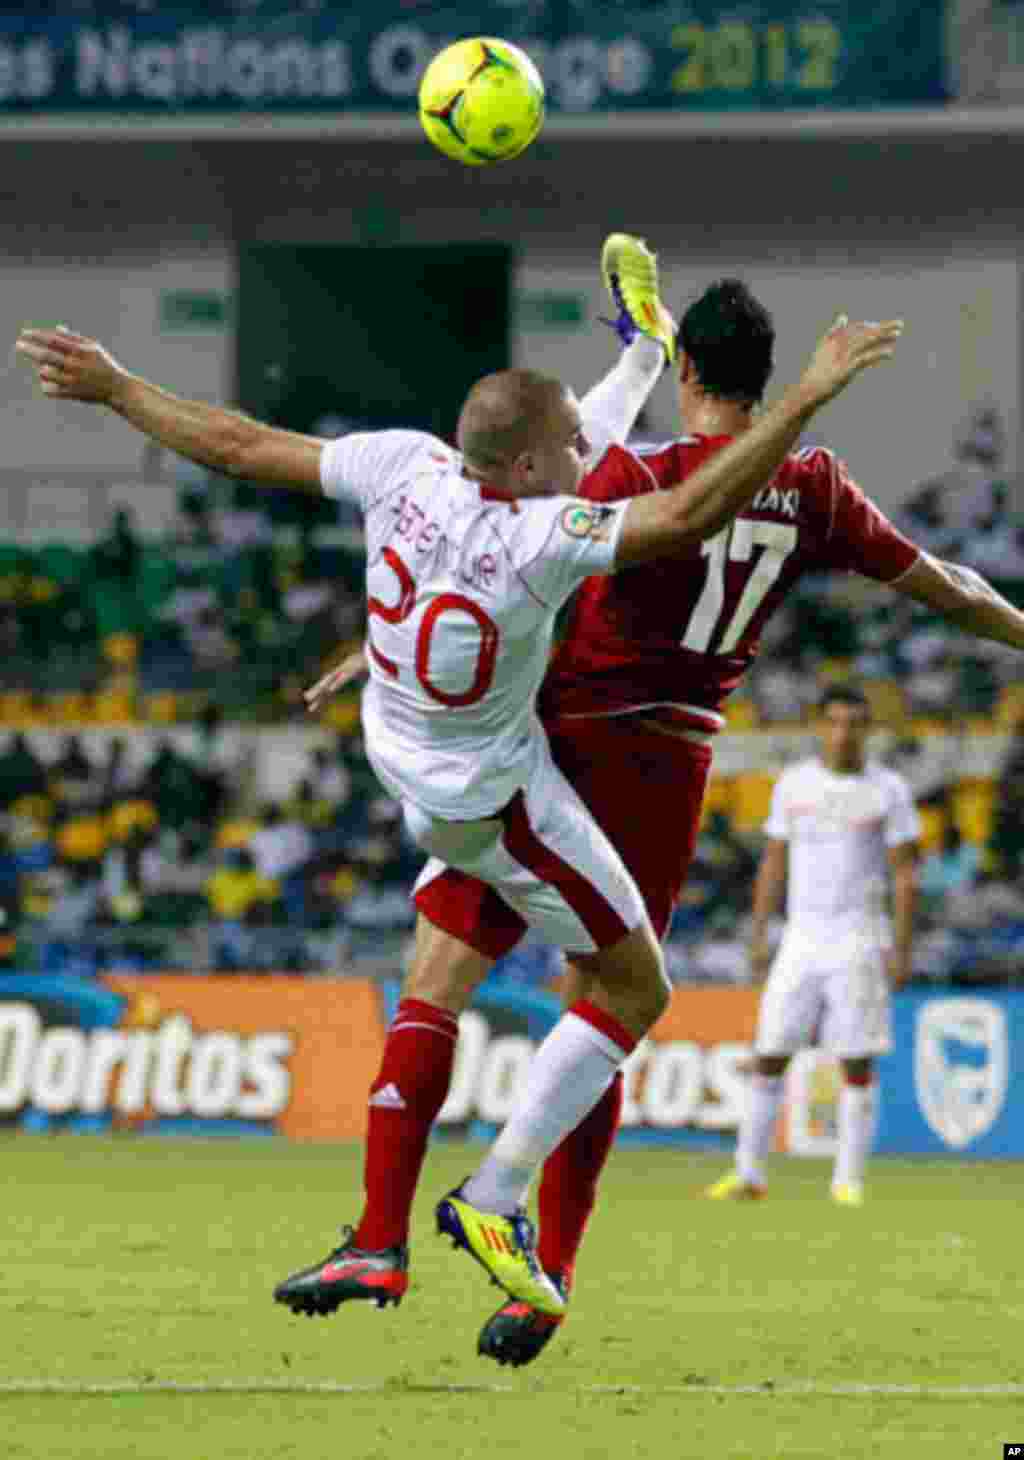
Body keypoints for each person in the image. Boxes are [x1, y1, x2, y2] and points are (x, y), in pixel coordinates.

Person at [16, 236, 901, 1326]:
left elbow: (238, 442)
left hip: (407, 755)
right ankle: (496, 1196)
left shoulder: (405, 465)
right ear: (530, 469)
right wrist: (808, 393)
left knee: (428, 979)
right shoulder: (540, 536)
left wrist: (113, 386)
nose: (592, 449)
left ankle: (375, 1243)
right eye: (572, 443)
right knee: (630, 991)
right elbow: (675, 517)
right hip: (501, 792)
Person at [302, 260, 1024, 1369]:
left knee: (436, 977)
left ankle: (384, 1233)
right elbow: (944, 586)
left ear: (683, 367)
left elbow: (477, 556)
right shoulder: (814, 484)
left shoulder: (626, 471)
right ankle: (545, 1278)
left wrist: (388, 645)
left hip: (549, 748)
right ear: (764, 376)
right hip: (668, 769)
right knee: (601, 1014)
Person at [706, 685, 919, 1207]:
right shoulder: (794, 785)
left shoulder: (888, 790)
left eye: (855, 723)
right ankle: (749, 1174)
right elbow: (774, 861)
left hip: (860, 937)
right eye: (836, 722)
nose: (844, 733)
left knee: (856, 1061)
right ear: (821, 726)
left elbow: (905, 875)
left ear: (867, 730)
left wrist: (902, 946)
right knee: (770, 1052)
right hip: (800, 936)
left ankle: (847, 1181)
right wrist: (759, 933)